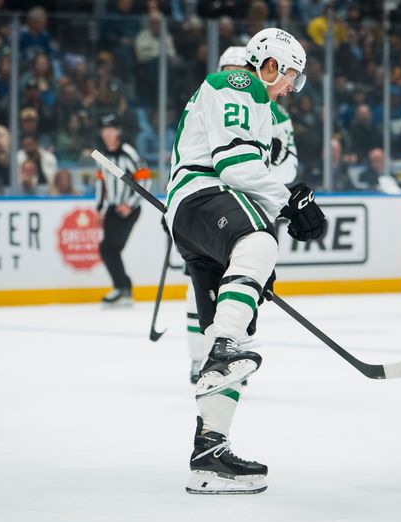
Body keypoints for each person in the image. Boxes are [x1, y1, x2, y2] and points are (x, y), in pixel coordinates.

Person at [166, 28, 325, 494]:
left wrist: (284, 205)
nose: (288, 91)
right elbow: (234, 168)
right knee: (259, 243)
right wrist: (289, 202)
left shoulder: (259, 104)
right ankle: (220, 349)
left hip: (205, 213)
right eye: (289, 79)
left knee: (239, 320)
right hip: (205, 199)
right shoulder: (241, 86)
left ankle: (210, 455)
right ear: (270, 64)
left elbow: (250, 172)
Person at [181, 45, 301, 384]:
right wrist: (285, 202)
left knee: (241, 300)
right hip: (216, 204)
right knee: (207, 294)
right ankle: (209, 352)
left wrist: (273, 181)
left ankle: (213, 427)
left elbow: (288, 163)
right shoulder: (224, 89)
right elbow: (215, 160)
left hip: (249, 205)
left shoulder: (275, 112)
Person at [94, 113, 151, 306]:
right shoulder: (101, 155)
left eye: (111, 129)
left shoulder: (129, 152)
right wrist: (99, 210)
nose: (108, 133)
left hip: (128, 209)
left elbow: (145, 179)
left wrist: (130, 204)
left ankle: (122, 288)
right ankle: (124, 288)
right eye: (104, 129)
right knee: (111, 249)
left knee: (107, 248)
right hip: (111, 208)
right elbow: (101, 183)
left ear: (118, 131)